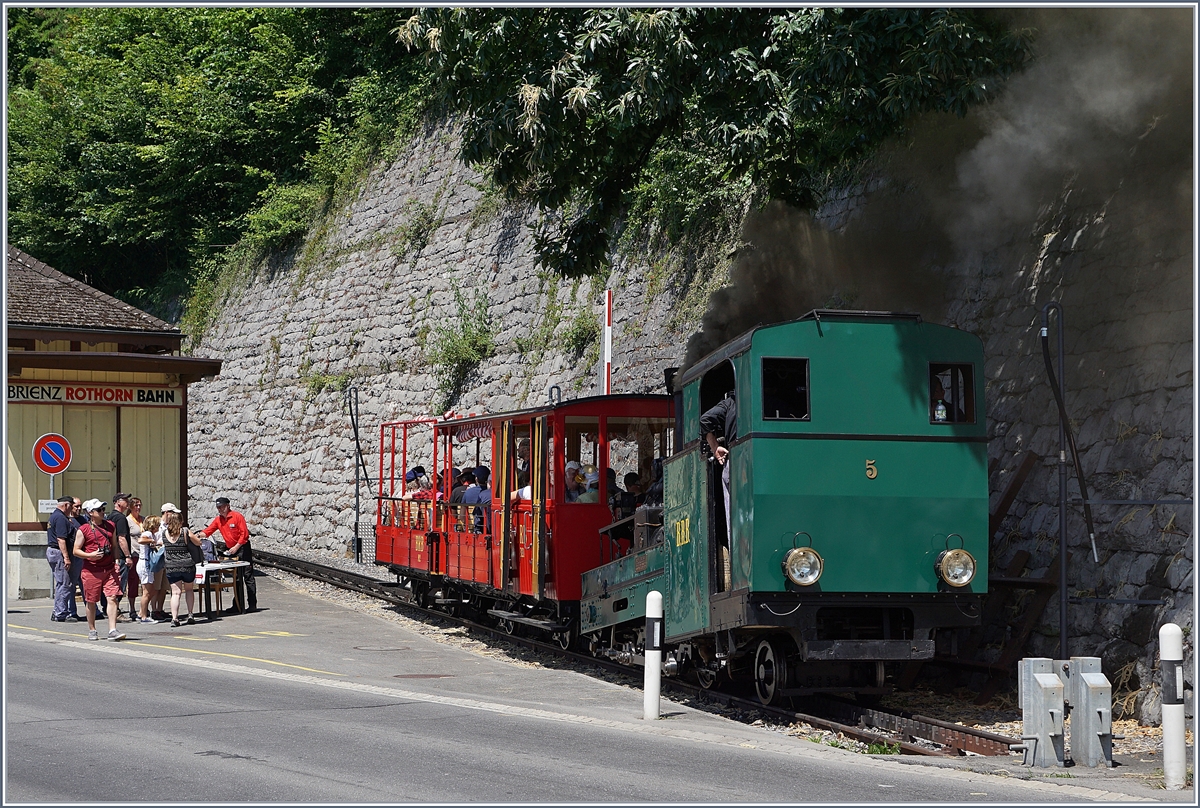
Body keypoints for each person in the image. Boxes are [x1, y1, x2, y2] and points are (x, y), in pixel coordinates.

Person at [72, 499, 126, 641]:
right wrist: (91, 555)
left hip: (109, 568)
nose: (103, 511)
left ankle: (112, 630)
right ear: (90, 513)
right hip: (91, 570)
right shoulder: (83, 530)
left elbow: (114, 546)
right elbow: (76, 551)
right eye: (99, 510)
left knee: (112, 598)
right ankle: (92, 629)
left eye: (103, 508)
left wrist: (116, 561)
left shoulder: (111, 526)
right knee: (91, 601)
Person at [200, 497, 257, 612]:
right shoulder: (218, 520)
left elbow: (244, 535)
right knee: (236, 576)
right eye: (218, 507)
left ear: (228, 506)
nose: (220, 509)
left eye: (221, 507)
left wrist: (236, 547)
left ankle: (252, 604)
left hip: (242, 547)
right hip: (231, 549)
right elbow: (208, 531)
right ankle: (237, 604)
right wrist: (197, 535)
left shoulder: (237, 516)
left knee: (247, 576)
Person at [700, 391, 737, 549]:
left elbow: (705, 420)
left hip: (735, 458)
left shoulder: (731, 402)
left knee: (732, 518)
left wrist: (714, 447)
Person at [161, 505, 202, 626]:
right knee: (189, 590)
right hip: (187, 564)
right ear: (180, 521)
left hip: (171, 566)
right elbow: (198, 542)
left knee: (176, 593)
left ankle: (175, 618)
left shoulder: (164, 534)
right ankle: (190, 614)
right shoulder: (185, 531)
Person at [46, 496, 80, 622]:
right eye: (71, 506)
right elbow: (61, 539)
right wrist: (66, 557)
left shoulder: (55, 516)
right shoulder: (60, 518)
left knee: (63, 583)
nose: (72, 509)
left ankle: (58, 611)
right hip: (59, 552)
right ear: (66, 505)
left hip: (55, 552)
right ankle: (60, 613)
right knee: (64, 583)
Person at [104, 493, 134, 622]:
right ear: (117, 502)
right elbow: (121, 538)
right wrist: (128, 556)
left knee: (112, 584)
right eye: (124, 500)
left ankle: (110, 609)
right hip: (120, 556)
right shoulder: (121, 518)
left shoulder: (110, 516)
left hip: (111, 555)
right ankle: (115, 611)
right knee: (119, 584)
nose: (127, 502)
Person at [134, 516, 163, 624]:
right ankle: (144, 616)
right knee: (147, 592)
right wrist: (153, 541)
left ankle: (141, 613)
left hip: (145, 564)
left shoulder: (151, 534)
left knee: (152, 590)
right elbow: (141, 540)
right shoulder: (148, 534)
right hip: (145, 563)